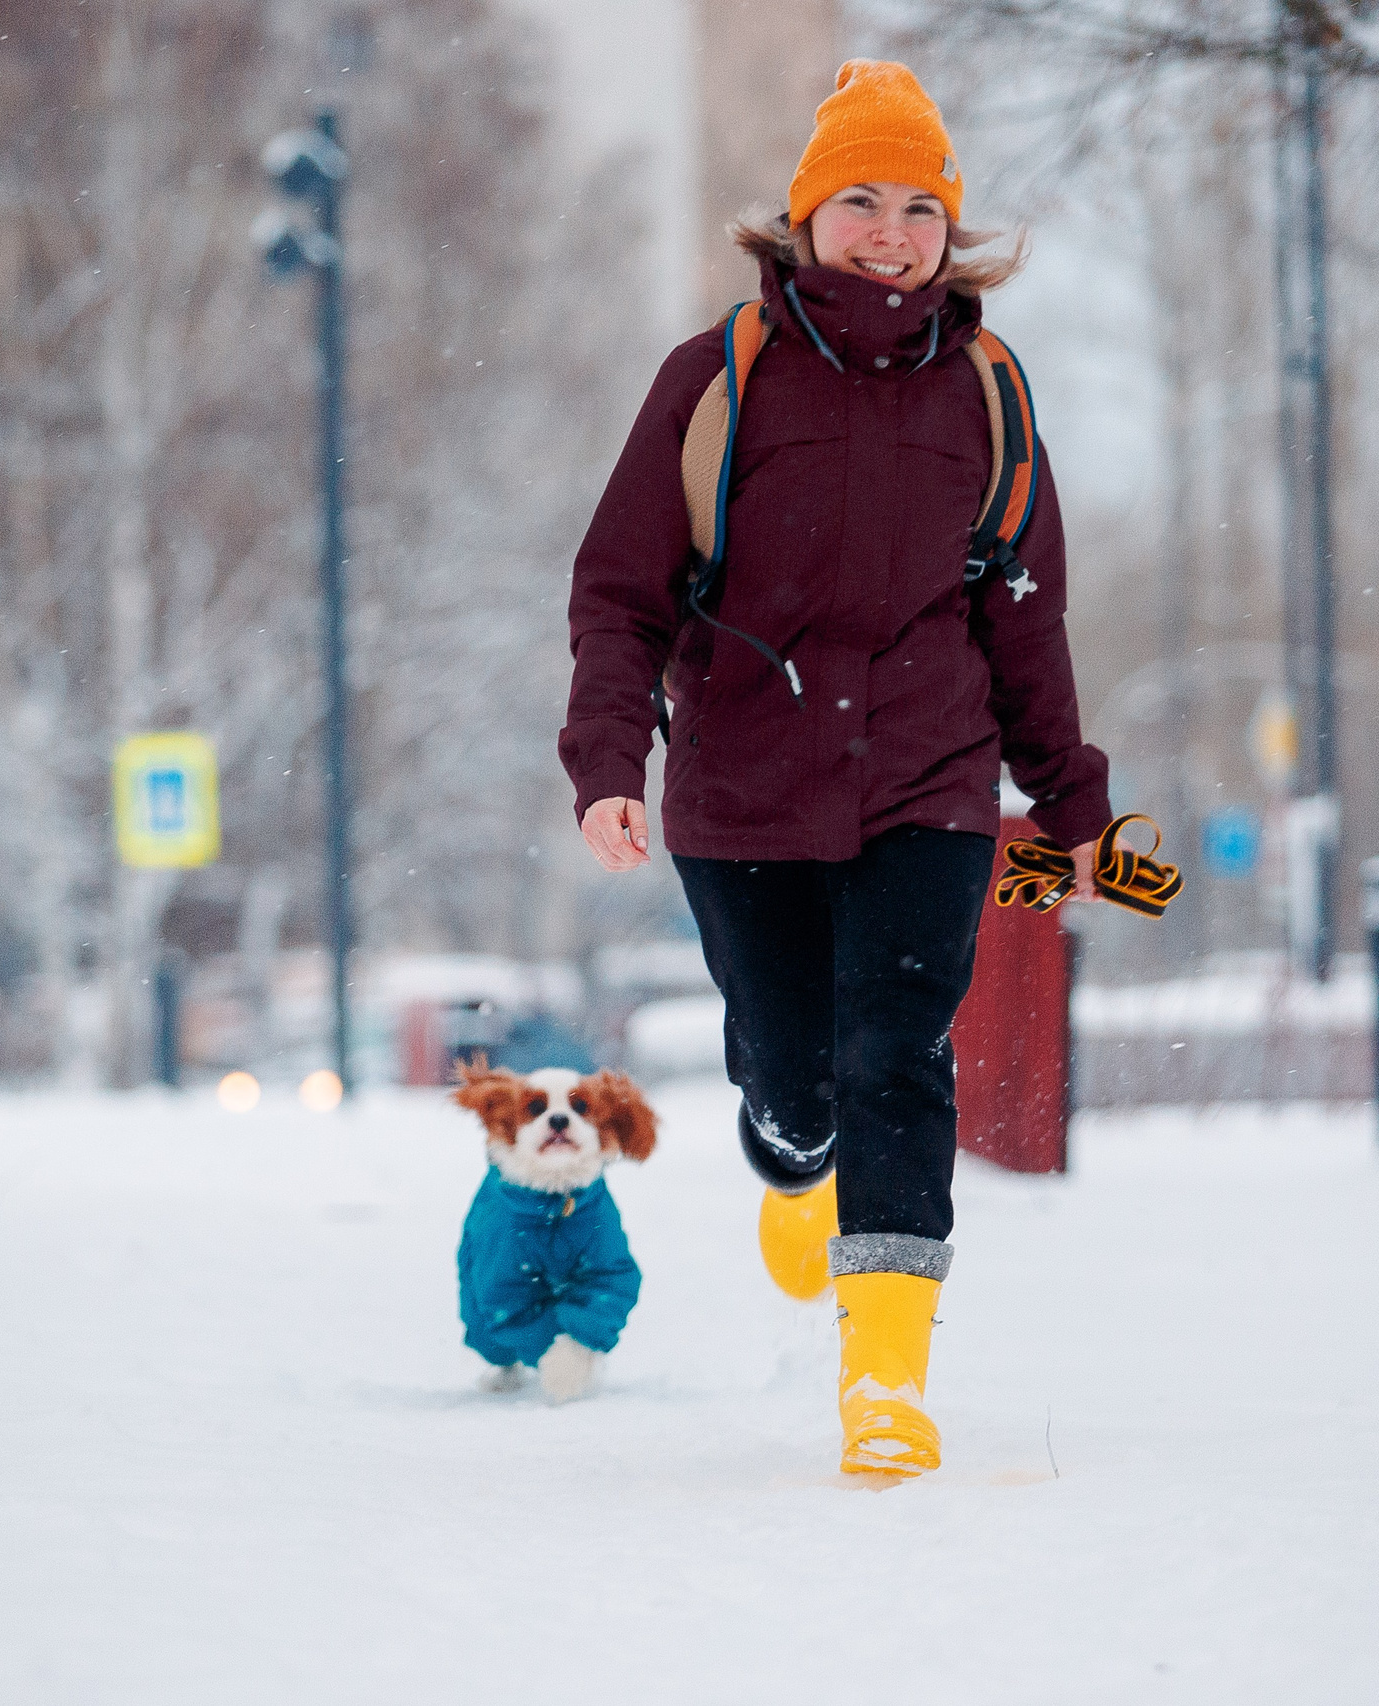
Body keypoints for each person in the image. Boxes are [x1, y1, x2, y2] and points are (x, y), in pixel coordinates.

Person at [559, 59, 1111, 1478]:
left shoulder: (986, 389)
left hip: (929, 781)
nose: (891, 230)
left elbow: (1026, 611)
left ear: (950, 226)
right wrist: (610, 758)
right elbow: (623, 590)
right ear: (806, 218)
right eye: (860, 200)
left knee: (897, 1055)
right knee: (796, 1072)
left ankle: (886, 1377)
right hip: (743, 792)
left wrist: (1072, 800)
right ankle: (789, 1151)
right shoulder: (718, 377)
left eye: (919, 205)